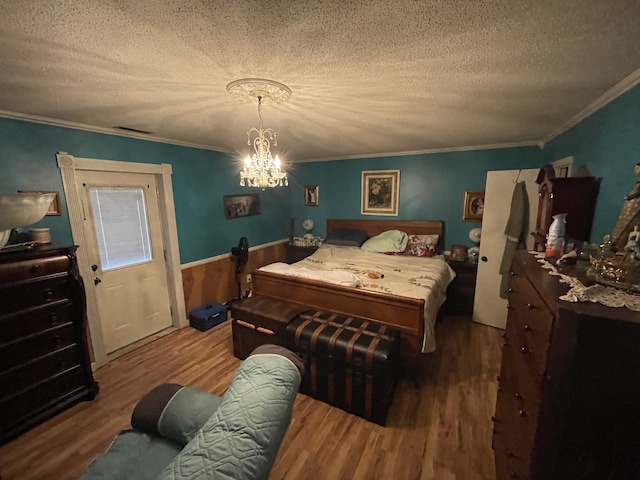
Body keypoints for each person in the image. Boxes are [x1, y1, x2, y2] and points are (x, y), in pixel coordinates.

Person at [611, 162, 640, 252]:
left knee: (630, 226)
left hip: (636, 207)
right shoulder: (637, 183)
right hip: (630, 206)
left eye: (638, 168)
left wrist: (629, 197)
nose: (635, 170)